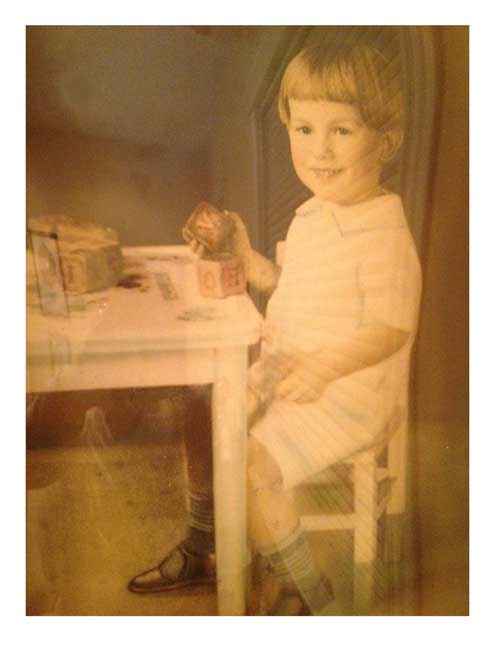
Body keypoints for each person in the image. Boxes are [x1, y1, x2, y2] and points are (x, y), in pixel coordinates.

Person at [128, 42, 422, 615]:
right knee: (199, 399)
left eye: (342, 130)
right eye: (305, 128)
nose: (319, 150)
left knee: (251, 464)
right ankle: (205, 540)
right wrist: (243, 253)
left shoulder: (383, 231)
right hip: (289, 374)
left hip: (345, 394)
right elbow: (286, 281)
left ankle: (306, 592)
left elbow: (392, 327)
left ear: (385, 141)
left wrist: (324, 367)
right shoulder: (314, 213)